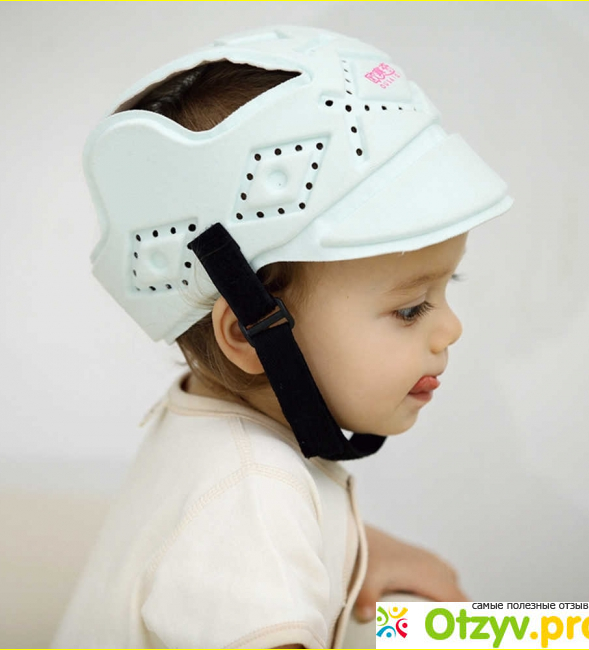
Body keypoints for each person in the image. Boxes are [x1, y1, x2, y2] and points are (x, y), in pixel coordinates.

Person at [54, 26, 513, 649]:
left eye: (447, 283)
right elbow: (244, 520)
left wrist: (356, 549)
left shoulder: (214, 431)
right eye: (410, 309)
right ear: (250, 333)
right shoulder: (253, 495)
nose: (450, 327)